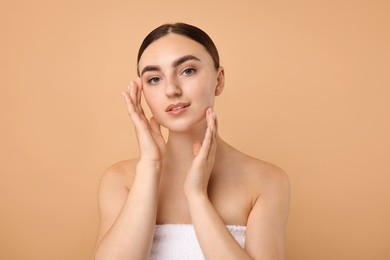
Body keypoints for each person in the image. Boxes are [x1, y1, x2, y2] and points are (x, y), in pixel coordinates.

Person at [92, 22, 290, 260]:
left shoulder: (266, 180)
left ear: (219, 80)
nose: (171, 90)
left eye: (187, 71)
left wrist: (197, 197)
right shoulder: (120, 180)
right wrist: (150, 166)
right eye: (154, 79)